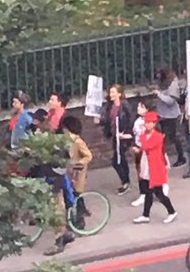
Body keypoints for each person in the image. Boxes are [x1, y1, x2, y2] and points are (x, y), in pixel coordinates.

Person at [45, 114, 93, 253]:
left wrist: (79, 163)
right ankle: (75, 220)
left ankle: (79, 221)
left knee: (77, 195)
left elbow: (88, 155)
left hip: (77, 171)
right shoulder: (63, 141)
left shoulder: (76, 141)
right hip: (69, 171)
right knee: (72, 195)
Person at [133, 111, 177, 224]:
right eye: (146, 122)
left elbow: (147, 145)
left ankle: (171, 212)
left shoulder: (158, 136)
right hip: (148, 166)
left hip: (156, 168)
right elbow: (143, 143)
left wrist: (139, 148)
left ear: (154, 124)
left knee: (159, 193)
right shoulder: (145, 135)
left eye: (149, 122)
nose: (146, 125)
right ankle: (145, 215)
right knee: (148, 192)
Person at [98, 83, 134, 194]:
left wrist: (127, 132)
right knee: (119, 159)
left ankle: (126, 182)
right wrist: (99, 121)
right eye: (110, 92)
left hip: (123, 136)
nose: (111, 94)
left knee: (118, 159)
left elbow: (131, 119)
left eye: (113, 92)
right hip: (115, 135)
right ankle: (125, 181)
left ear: (119, 93)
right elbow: (106, 121)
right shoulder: (109, 106)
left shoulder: (125, 105)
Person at [152, 64, 187, 166]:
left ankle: (181, 157)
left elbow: (171, 101)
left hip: (171, 115)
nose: (157, 76)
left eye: (159, 74)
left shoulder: (173, 84)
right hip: (162, 114)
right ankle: (163, 158)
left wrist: (159, 94)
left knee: (173, 137)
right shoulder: (162, 83)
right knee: (164, 137)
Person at [130, 98, 153, 208]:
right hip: (138, 148)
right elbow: (135, 134)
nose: (138, 108)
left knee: (147, 172)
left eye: (141, 107)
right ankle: (144, 192)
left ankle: (148, 192)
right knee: (140, 172)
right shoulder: (137, 120)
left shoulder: (150, 122)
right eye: (138, 106)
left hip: (147, 150)